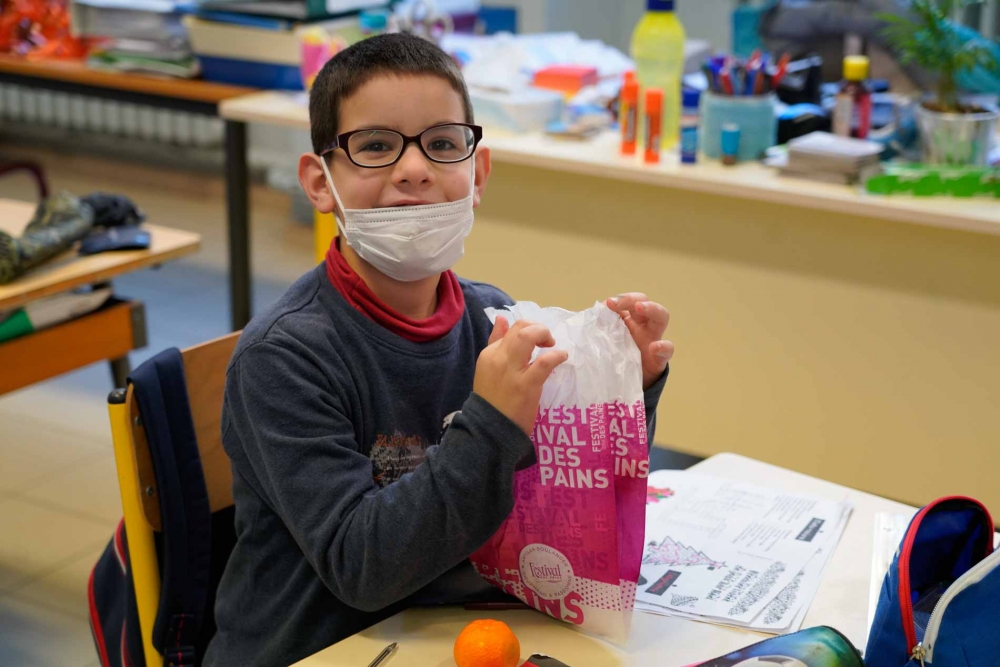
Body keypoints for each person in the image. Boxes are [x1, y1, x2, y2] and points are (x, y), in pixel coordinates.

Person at [205, 32, 674, 667]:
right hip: (322, 646)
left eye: (443, 144)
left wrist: (621, 388)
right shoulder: (284, 359)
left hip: (457, 629)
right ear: (320, 183)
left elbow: (562, 501)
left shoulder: (491, 319)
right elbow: (363, 569)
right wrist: (491, 422)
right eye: (375, 146)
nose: (415, 169)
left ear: (476, 174)